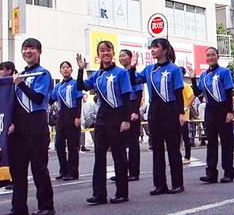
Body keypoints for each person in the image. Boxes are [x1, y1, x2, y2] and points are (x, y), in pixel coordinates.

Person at [1, 39, 55, 215]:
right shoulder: (21, 74)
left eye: (32, 48)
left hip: (36, 126)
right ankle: (18, 208)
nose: (28, 51)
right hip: (20, 128)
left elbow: (38, 98)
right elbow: (14, 104)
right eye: (25, 48)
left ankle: (46, 206)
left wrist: (20, 84)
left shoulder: (43, 74)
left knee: (39, 168)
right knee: (18, 170)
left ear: (39, 52)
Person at [76, 41, 132, 204]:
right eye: (102, 51)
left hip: (118, 116)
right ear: (98, 54)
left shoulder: (121, 73)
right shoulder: (97, 74)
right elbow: (81, 86)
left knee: (119, 155)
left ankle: (122, 192)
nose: (105, 53)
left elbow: (127, 96)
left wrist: (126, 119)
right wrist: (81, 69)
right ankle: (99, 194)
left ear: (112, 53)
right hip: (102, 118)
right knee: (99, 156)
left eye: (108, 50)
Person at [131, 38, 186, 194]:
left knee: (173, 148)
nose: (153, 50)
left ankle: (177, 183)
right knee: (157, 149)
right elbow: (134, 80)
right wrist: (132, 67)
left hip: (171, 110)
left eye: (156, 47)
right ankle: (160, 184)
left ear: (165, 50)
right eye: (151, 47)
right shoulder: (149, 69)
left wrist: (181, 112)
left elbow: (178, 92)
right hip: (155, 111)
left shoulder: (174, 69)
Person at [188, 47, 234, 182]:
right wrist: (192, 78)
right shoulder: (203, 75)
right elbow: (197, 92)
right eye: (208, 55)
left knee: (226, 142)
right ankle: (211, 173)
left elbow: (228, 92)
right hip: (210, 110)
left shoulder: (224, 72)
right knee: (211, 142)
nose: (210, 57)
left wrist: (229, 111)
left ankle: (228, 171)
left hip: (223, 108)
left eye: (212, 55)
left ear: (217, 56)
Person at [49, 61, 82, 181]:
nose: (65, 70)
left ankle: (73, 172)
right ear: (60, 71)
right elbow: (50, 100)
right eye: (63, 68)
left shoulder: (75, 83)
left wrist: (78, 117)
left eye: (67, 67)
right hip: (61, 118)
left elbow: (79, 100)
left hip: (73, 116)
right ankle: (63, 170)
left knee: (73, 146)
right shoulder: (58, 86)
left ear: (71, 70)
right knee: (59, 145)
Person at [115, 49, 142, 181]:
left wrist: (135, 111)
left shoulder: (134, 74)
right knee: (120, 143)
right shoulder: (119, 74)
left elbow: (138, 94)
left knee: (132, 143)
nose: (121, 58)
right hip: (122, 109)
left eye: (124, 55)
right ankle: (122, 172)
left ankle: (134, 172)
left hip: (132, 108)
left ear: (131, 58)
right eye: (120, 56)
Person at [0, 61, 17, 189]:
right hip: (1, 122)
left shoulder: (14, 84)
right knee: (1, 152)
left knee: (12, 154)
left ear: (9, 71)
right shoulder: (2, 85)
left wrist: (14, 123)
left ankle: (13, 179)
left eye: (2, 70)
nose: (0, 73)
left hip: (12, 123)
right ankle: (3, 179)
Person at [181, 67, 196, 164]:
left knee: (185, 136)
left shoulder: (185, 86)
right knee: (174, 138)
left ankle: (187, 157)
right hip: (173, 115)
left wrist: (186, 106)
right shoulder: (174, 85)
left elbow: (193, 95)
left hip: (183, 116)